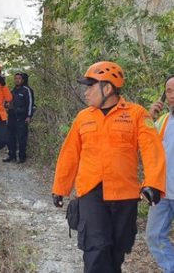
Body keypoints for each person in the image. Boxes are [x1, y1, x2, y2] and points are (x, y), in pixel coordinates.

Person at [52, 61, 166, 273]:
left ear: (107, 88)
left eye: (90, 86)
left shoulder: (137, 114)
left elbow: (152, 150)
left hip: (124, 193)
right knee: (96, 248)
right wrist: (60, 188)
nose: (86, 92)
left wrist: (152, 184)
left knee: (116, 251)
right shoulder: (83, 117)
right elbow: (69, 154)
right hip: (90, 191)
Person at [146, 74, 174, 273]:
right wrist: (149, 118)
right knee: (154, 235)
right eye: (169, 91)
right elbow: (145, 144)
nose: (172, 95)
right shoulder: (163, 120)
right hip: (164, 191)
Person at [3, 73, 34, 163]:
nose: (17, 80)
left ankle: (22, 157)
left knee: (21, 138)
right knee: (10, 137)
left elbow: (30, 104)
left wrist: (29, 116)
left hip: (22, 117)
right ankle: (11, 155)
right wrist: (7, 105)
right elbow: (5, 102)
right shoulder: (12, 91)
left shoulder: (26, 90)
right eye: (15, 78)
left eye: (19, 78)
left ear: (22, 80)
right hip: (12, 116)